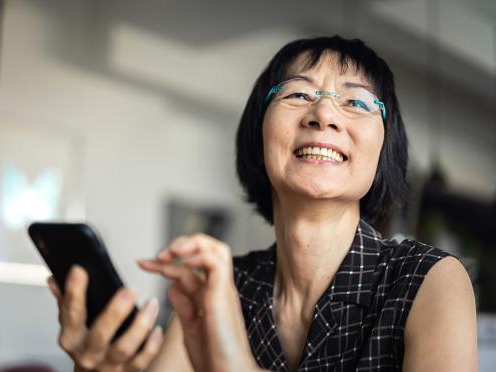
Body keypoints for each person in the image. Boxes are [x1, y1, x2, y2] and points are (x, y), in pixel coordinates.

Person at [46, 36, 478, 371]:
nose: (324, 115)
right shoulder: (215, 286)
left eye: (356, 102)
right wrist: (95, 367)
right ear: (260, 131)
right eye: (297, 94)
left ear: (385, 149)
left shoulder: (430, 280)